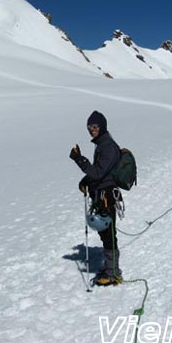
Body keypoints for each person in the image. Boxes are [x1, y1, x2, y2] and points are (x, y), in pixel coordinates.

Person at [69, 110, 123, 286]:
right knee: (104, 232)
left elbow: (99, 172)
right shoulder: (101, 144)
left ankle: (113, 273)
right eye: (89, 127)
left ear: (102, 126)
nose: (92, 129)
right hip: (101, 194)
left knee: (108, 234)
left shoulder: (107, 146)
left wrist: (79, 160)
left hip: (107, 195)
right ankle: (109, 268)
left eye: (95, 126)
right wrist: (86, 180)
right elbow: (100, 170)